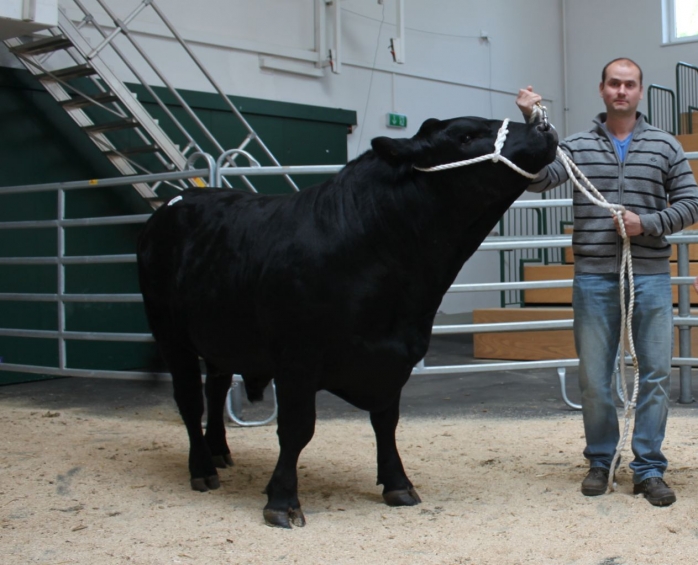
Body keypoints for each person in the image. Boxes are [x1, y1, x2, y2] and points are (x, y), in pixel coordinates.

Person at [516, 58, 698, 506]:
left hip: (651, 277)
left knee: (654, 375)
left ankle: (648, 468)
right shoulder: (575, 146)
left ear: (639, 92)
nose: (622, 91)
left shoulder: (665, 145)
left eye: (630, 84)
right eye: (614, 83)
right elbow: (539, 180)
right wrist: (533, 127)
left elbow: (692, 203)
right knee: (595, 379)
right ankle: (600, 461)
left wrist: (648, 223)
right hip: (595, 277)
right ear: (602, 90)